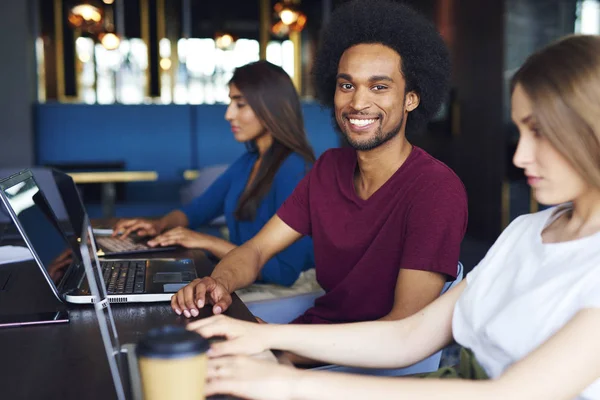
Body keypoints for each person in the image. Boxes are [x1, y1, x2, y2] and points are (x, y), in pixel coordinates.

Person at [187, 34, 600, 399]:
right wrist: (261, 336)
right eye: (520, 132)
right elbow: (411, 335)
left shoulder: (435, 188)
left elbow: (507, 393)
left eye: (540, 132)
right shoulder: (526, 231)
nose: (520, 156)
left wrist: (286, 379)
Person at [172, 0, 467, 333]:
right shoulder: (328, 169)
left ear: (411, 98)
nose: (357, 102)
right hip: (314, 337)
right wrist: (218, 282)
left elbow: (404, 331)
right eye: (347, 85)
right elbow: (257, 250)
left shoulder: (435, 190)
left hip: (371, 367)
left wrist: (279, 343)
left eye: (379, 87)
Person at [113, 61, 316, 287]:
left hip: (284, 292)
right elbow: (196, 211)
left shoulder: (296, 170)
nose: (228, 114)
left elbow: (283, 273)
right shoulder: (248, 162)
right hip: (244, 279)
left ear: (271, 108)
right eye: (230, 102)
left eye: (240, 104)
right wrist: (160, 224)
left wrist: (206, 241)